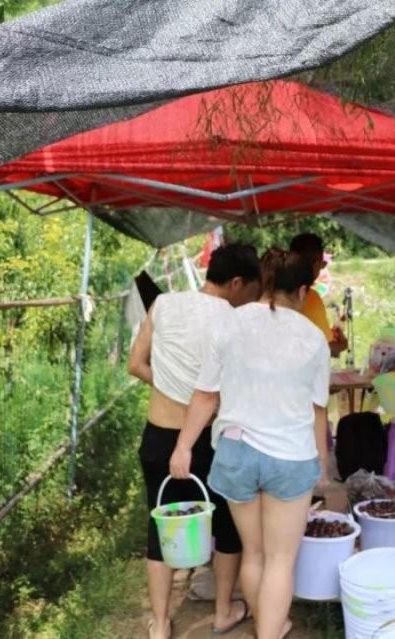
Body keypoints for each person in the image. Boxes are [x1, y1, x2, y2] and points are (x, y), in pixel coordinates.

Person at [170, 250, 331, 639]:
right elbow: (318, 411)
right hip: (290, 457)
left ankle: (268, 627)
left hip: (236, 452)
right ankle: (272, 629)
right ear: (304, 290)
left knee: (254, 553)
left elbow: (205, 395)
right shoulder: (313, 338)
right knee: (280, 561)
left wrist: (183, 446)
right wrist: (321, 468)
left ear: (263, 280)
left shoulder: (228, 324)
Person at [127, 244, 261, 639]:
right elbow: (231, 388)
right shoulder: (233, 320)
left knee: (160, 527)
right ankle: (222, 612)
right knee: (227, 526)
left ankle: (161, 623)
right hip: (209, 441)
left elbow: (135, 364)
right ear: (237, 283)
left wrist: (169, 385)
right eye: (251, 289)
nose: (251, 298)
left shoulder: (164, 304)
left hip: (157, 438)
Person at [289, 232, 349, 357]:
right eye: (321, 265)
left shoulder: (270, 291)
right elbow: (326, 348)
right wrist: (341, 345)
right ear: (316, 264)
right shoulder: (311, 297)